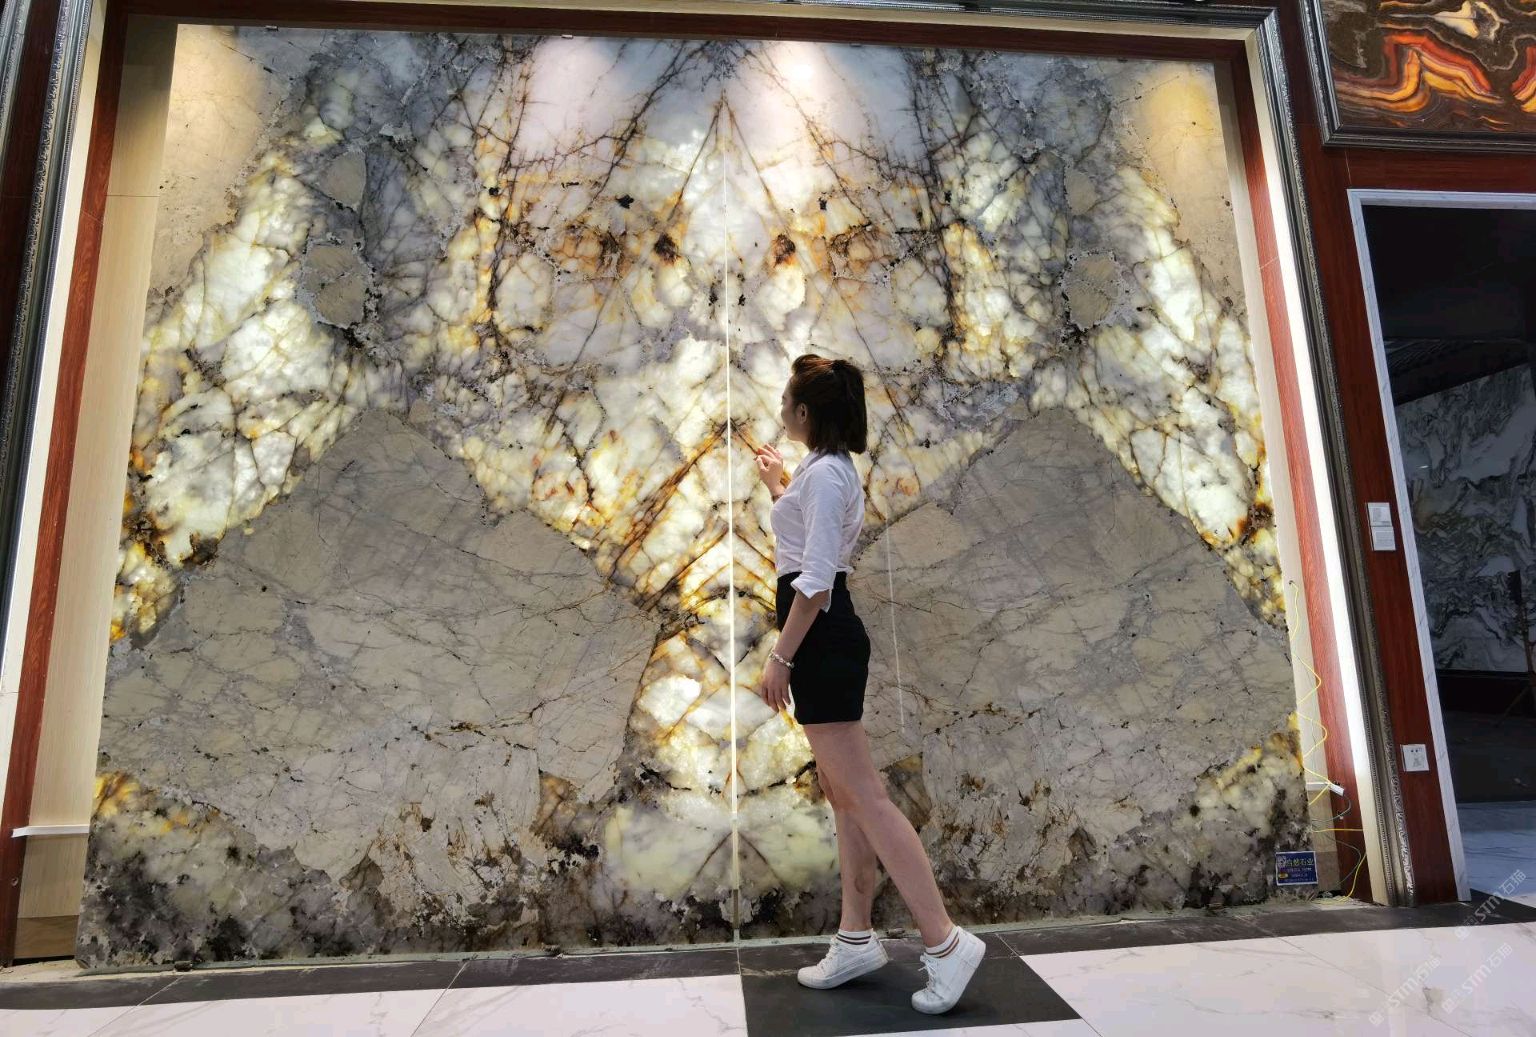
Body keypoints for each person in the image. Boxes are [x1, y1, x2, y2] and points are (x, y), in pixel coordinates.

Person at [754, 353, 986, 1015]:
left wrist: (781, 657)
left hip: (821, 636)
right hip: (821, 636)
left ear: (805, 412)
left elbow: (815, 581)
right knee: (844, 792)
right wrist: (777, 485)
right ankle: (856, 936)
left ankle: (945, 942)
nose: (781, 409)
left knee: (867, 798)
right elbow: (804, 544)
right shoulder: (818, 472)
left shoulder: (827, 476)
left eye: (786, 401)